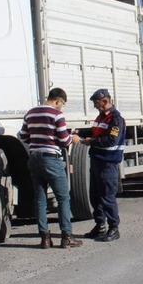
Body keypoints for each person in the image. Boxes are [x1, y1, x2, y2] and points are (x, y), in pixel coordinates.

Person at [18, 87, 82, 249]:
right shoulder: (57, 114)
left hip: (34, 158)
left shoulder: (30, 113)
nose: (62, 107)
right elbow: (64, 140)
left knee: (40, 199)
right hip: (51, 159)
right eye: (62, 104)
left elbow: (22, 136)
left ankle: (45, 238)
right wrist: (72, 138)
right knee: (63, 198)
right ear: (58, 100)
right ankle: (66, 236)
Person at [72, 88, 125, 242]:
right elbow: (95, 132)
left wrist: (89, 141)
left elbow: (111, 140)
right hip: (97, 161)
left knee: (107, 197)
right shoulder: (101, 117)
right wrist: (80, 133)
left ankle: (114, 228)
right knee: (95, 196)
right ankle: (100, 225)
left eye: (96, 103)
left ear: (105, 101)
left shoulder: (116, 119)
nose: (95, 106)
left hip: (108, 163)